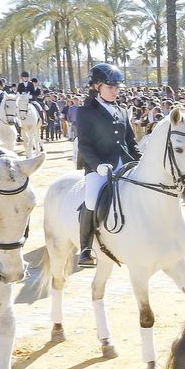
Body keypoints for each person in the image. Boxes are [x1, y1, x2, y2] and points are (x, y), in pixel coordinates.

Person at [73, 63, 140, 268]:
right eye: (110, 87)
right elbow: (84, 145)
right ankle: (85, 249)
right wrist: (97, 165)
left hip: (125, 163)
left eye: (116, 87)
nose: (115, 91)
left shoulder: (121, 110)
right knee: (92, 200)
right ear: (97, 86)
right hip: (99, 167)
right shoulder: (85, 112)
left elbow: (130, 141)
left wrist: (141, 159)